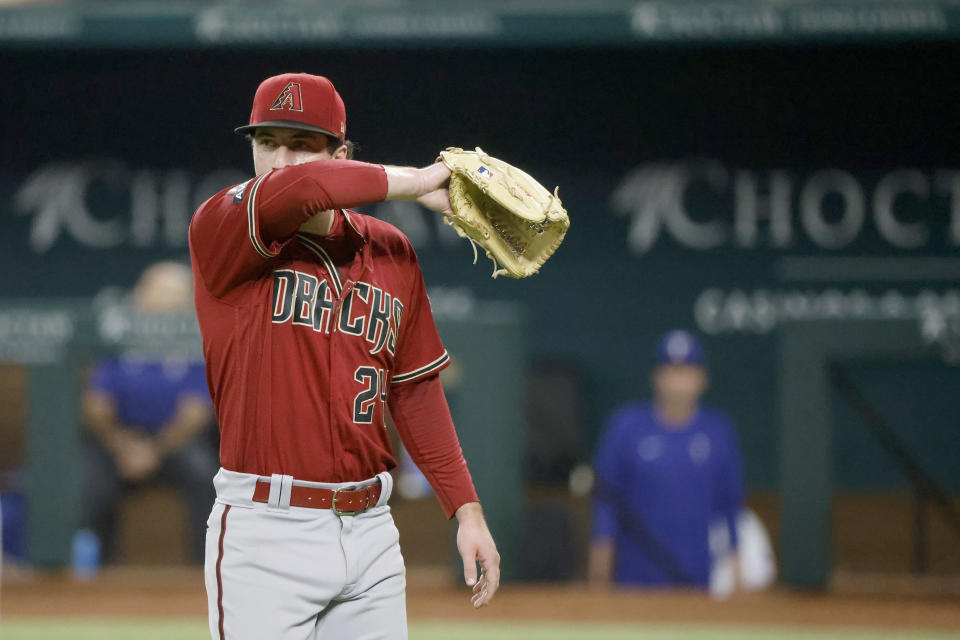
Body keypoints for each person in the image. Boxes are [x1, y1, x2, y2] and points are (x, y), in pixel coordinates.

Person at [189, 73, 500, 640]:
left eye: (302, 144)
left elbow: (414, 393)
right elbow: (299, 191)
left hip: (372, 532)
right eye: (267, 142)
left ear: (342, 154)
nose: (281, 160)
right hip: (266, 532)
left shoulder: (391, 250)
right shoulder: (224, 226)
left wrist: (466, 509)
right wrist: (420, 182)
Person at [81, 261, 218, 564]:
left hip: (175, 444)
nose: (158, 304)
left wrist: (154, 450)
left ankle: (205, 572)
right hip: (119, 441)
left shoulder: (196, 339)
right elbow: (97, 405)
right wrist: (123, 445)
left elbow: (196, 413)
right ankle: (89, 577)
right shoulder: (117, 337)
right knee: (88, 484)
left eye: (171, 298)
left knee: (206, 477)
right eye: (152, 294)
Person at [588, 329, 744, 589]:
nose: (677, 380)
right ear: (656, 376)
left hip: (697, 575)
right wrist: (601, 561)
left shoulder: (718, 431)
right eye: (670, 370)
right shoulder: (626, 427)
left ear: (702, 378)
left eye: (685, 371)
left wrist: (737, 561)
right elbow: (606, 503)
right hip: (634, 577)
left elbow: (730, 506)